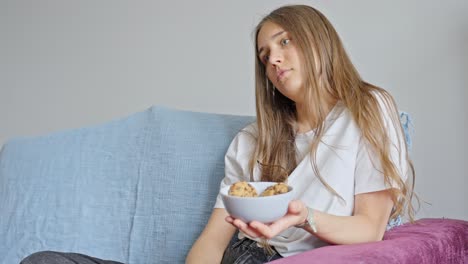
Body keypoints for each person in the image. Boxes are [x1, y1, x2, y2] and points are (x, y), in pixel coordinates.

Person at [186, 4, 416, 264]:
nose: (273, 60)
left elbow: (370, 228)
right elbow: (212, 242)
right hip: (248, 255)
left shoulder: (368, 108)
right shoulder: (250, 141)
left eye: (284, 41)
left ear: (318, 41)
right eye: (265, 56)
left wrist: (305, 217)